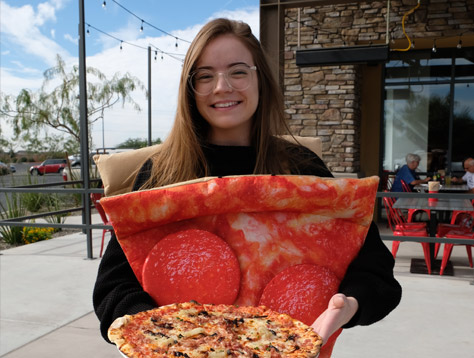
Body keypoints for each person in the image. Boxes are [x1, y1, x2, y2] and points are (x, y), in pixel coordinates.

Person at [93, 18, 401, 348]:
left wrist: (348, 306)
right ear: (190, 89)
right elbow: (112, 289)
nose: (222, 86)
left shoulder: (301, 170)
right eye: (205, 76)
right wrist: (162, 336)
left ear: (260, 79)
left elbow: (376, 273)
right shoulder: (161, 175)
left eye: (238, 71)